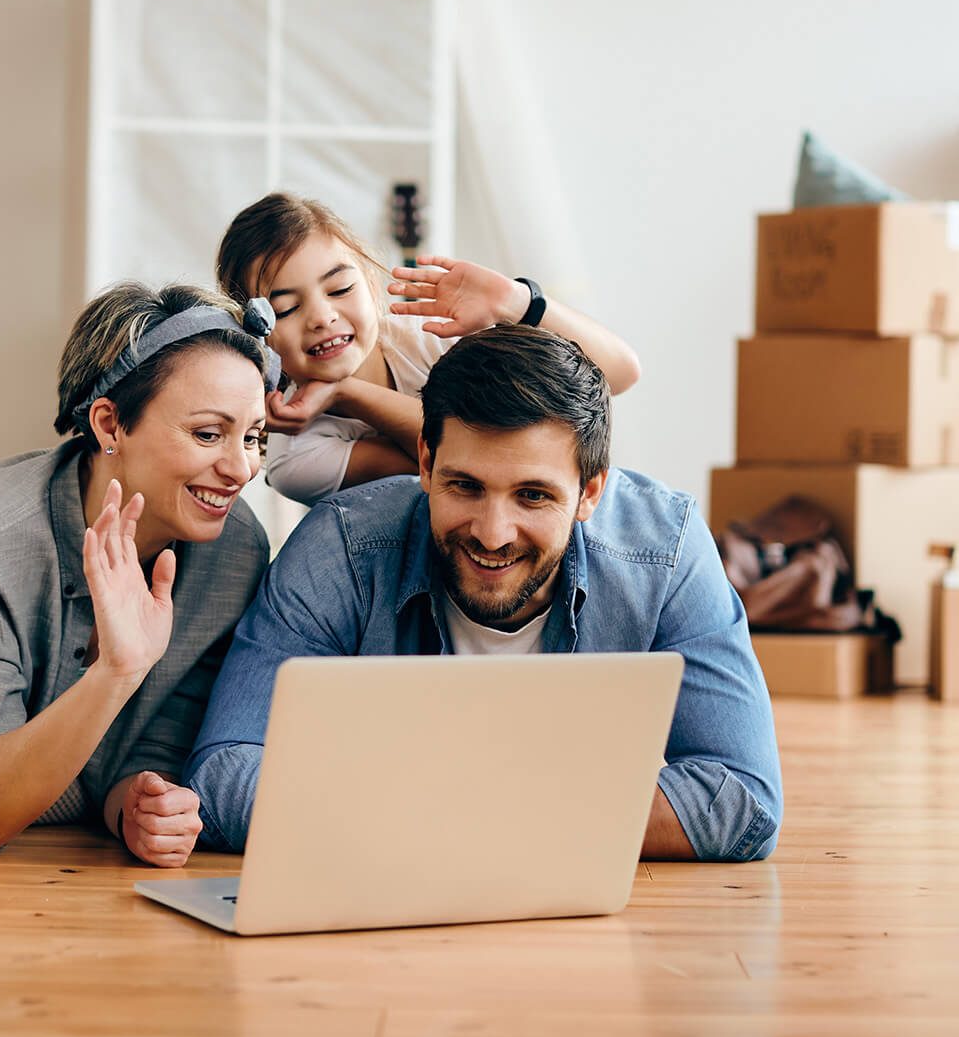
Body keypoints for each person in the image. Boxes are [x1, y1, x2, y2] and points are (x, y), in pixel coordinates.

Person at [184, 325, 783, 862]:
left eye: (533, 496)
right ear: (424, 461)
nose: (492, 534)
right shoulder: (342, 545)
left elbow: (742, 800)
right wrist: (523, 816)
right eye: (465, 486)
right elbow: (223, 773)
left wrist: (447, 812)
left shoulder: (666, 550)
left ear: (590, 491)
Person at [0, 282, 281, 867]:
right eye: (208, 434)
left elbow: (153, 739)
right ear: (110, 425)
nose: (241, 468)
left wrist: (134, 805)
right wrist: (117, 669)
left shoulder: (236, 549)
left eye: (253, 437)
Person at [216, 191, 641, 507]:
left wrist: (516, 301)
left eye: (340, 288)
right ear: (257, 330)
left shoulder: (431, 333)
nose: (322, 317)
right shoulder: (298, 458)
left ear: (369, 281)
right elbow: (462, 461)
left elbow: (619, 373)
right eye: (287, 309)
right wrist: (348, 394)